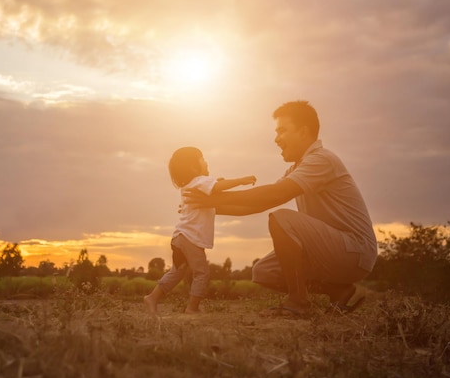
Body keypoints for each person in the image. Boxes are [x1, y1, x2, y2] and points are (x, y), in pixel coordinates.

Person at [184, 101, 377, 318]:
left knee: (282, 218)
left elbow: (275, 193)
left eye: (282, 131)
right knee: (264, 272)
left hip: (355, 251)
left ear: (303, 132)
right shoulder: (298, 168)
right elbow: (260, 203)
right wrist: (206, 207)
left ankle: (298, 302)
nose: (276, 139)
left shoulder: (321, 160)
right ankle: (338, 291)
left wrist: (215, 197)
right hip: (331, 250)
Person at [144, 146, 257, 314]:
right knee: (202, 272)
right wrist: (240, 180)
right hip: (190, 238)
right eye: (202, 158)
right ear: (192, 167)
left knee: (177, 272)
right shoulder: (200, 181)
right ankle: (192, 308)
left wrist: (218, 182)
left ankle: (152, 298)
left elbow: (215, 187)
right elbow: (217, 186)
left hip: (180, 236)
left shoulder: (194, 184)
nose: (206, 161)